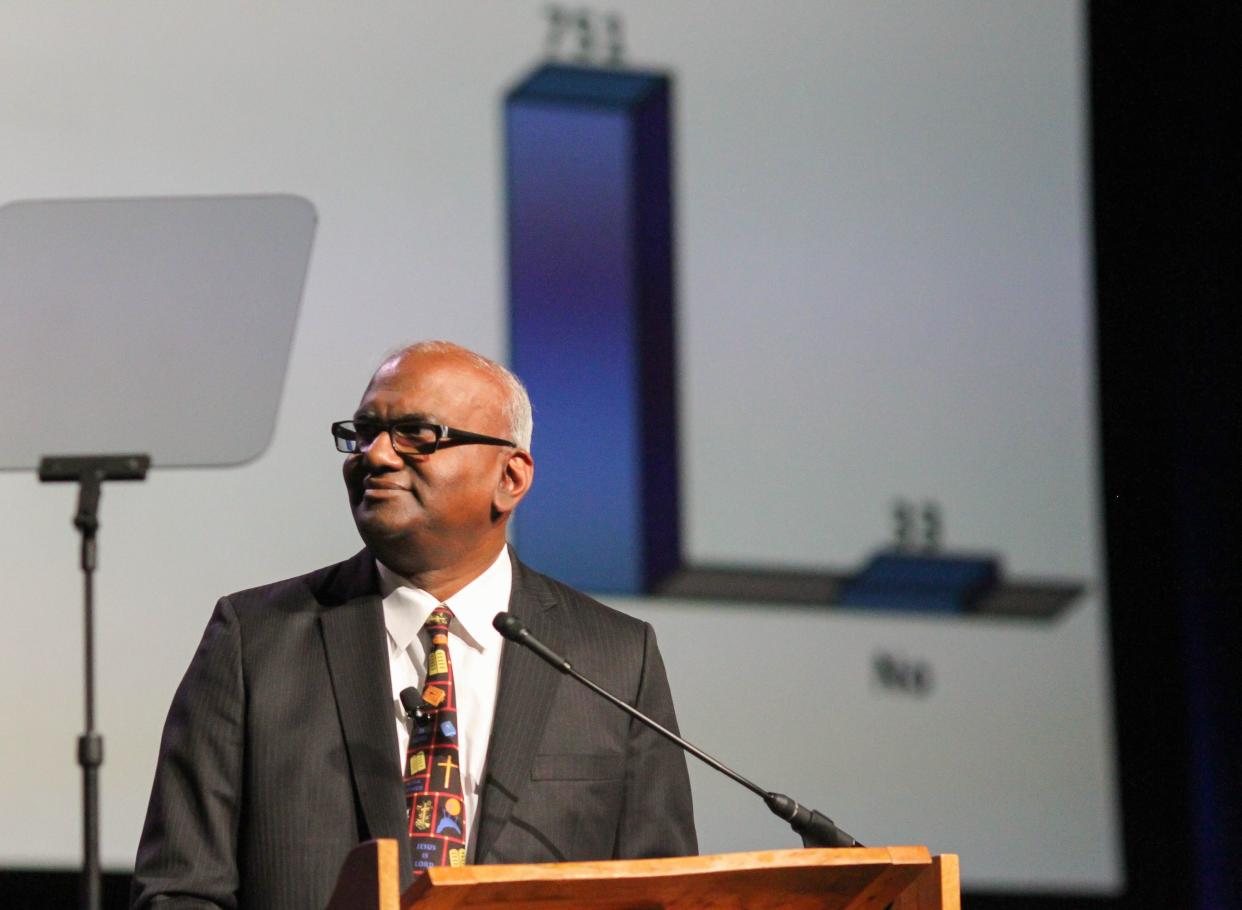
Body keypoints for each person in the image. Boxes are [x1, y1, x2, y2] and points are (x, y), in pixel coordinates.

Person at [131, 341, 697, 909]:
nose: (375, 456)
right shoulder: (255, 639)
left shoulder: (614, 658)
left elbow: (666, 893)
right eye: (364, 433)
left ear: (511, 477)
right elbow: (180, 891)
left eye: (417, 435)